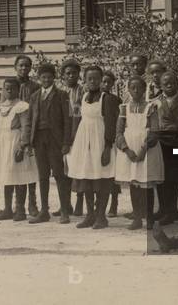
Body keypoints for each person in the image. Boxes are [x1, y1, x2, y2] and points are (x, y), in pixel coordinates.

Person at [65, 65, 120, 229]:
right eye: (90, 78)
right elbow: (79, 121)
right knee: (86, 178)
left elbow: (111, 125)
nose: (93, 81)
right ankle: (90, 215)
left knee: (102, 178)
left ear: (101, 79)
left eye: (97, 78)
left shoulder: (107, 99)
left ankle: (101, 216)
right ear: (85, 80)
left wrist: (107, 148)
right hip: (84, 143)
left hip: (100, 143)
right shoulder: (84, 97)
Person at [115, 76, 163, 230]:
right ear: (128, 90)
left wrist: (143, 150)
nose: (136, 91)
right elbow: (119, 132)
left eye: (139, 88)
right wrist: (126, 150)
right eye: (132, 88)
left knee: (146, 185)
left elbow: (155, 130)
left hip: (147, 150)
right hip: (129, 151)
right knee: (134, 184)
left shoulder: (151, 107)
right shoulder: (124, 108)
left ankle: (149, 218)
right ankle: (137, 218)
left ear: (144, 90)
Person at [27, 63, 72, 225]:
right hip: (39, 139)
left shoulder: (61, 95)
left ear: (54, 78)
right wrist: (28, 141)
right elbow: (29, 120)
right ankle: (44, 211)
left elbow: (67, 120)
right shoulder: (34, 96)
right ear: (39, 79)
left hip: (55, 140)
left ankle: (65, 211)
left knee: (59, 175)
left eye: (49, 77)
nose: (46, 80)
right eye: (43, 77)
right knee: (43, 175)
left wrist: (66, 142)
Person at [0, 77, 36, 222]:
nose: (9, 91)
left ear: (18, 90)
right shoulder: (1, 106)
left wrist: (22, 146)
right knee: (6, 177)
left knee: (19, 177)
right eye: (7, 88)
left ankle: (20, 209)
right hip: (3, 144)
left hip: (15, 143)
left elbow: (25, 126)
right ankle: (8, 209)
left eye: (12, 88)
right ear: (3, 90)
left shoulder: (22, 106)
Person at [153, 71, 178, 225]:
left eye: (172, 82)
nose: (169, 85)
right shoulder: (156, 101)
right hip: (164, 143)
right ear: (160, 86)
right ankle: (171, 211)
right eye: (165, 83)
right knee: (167, 179)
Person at [13, 55, 41, 216]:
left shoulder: (35, 86)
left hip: (30, 131)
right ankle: (18, 206)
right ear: (15, 67)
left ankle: (32, 204)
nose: (24, 69)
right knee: (16, 169)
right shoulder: (10, 85)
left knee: (30, 168)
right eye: (21, 66)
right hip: (15, 132)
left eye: (27, 66)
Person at [61, 59, 85, 216]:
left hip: (78, 133)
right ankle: (65, 203)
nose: (71, 76)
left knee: (79, 169)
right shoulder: (60, 91)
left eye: (74, 73)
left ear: (78, 75)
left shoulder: (82, 91)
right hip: (63, 134)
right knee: (64, 170)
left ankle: (79, 203)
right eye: (68, 73)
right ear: (63, 75)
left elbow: (81, 114)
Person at [100, 70, 122, 217]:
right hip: (96, 137)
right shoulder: (92, 97)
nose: (106, 84)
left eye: (109, 82)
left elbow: (116, 120)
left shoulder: (115, 100)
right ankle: (99, 204)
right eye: (104, 81)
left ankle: (114, 204)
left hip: (110, 139)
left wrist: (111, 140)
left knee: (112, 173)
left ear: (113, 84)